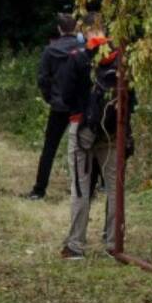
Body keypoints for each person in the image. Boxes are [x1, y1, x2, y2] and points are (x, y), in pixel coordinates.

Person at [59, 14, 135, 259]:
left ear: (84, 30)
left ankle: (75, 245)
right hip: (113, 132)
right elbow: (132, 102)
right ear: (105, 29)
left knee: (80, 187)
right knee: (114, 188)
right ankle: (114, 244)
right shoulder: (122, 61)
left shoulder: (79, 58)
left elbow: (66, 95)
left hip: (81, 129)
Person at [26, 12, 83, 200]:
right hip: (79, 106)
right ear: (75, 28)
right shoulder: (83, 48)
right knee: (86, 148)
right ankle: (92, 187)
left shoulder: (50, 50)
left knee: (49, 148)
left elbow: (43, 78)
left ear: (59, 29)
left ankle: (39, 189)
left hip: (58, 105)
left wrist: (50, 98)